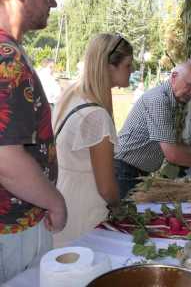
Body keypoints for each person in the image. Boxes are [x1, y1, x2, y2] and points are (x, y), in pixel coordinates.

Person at [0, 0, 67, 282]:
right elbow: (6, 162)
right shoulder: (5, 57)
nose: (53, 1)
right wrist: (55, 201)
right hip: (12, 234)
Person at [52, 33, 133, 246]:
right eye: (128, 65)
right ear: (110, 66)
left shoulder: (71, 94)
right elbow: (106, 187)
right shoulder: (96, 116)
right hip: (83, 210)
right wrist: (120, 207)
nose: (131, 71)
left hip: (62, 195)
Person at [114, 61, 191, 198]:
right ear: (174, 76)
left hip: (134, 171)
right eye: (190, 85)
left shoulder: (174, 100)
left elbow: (175, 144)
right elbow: (173, 154)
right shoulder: (159, 100)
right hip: (124, 170)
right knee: (123, 215)